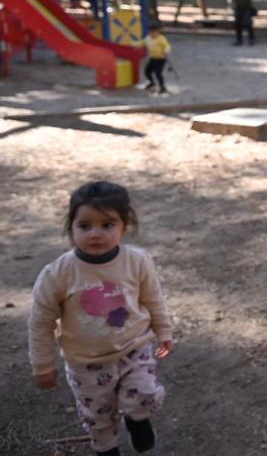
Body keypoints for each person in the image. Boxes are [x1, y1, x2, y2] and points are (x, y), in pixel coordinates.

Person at [28, 181, 174, 456]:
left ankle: (138, 419)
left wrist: (164, 331)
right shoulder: (58, 273)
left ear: (124, 226)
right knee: (98, 416)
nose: (96, 234)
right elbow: (41, 322)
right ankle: (107, 450)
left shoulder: (137, 261)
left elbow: (153, 298)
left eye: (107, 225)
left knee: (144, 393)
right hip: (87, 362)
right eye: (85, 226)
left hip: (134, 346)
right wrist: (43, 364)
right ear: (71, 228)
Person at [141, 23, 170, 94]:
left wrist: (166, 51)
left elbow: (167, 46)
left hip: (161, 59)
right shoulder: (148, 38)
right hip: (153, 58)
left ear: (157, 32)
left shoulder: (161, 38)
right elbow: (142, 43)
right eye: (151, 32)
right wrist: (133, 44)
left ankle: (163, 87)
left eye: (154, 32)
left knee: (158, 73)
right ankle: (152, 83)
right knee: (147, 71)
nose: (153, 33)